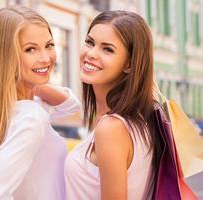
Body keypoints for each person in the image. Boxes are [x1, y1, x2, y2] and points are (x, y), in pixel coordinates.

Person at [0, 5, 80, 200]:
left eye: (49, 45)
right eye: (30, 49)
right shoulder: (30, 118)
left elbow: (72, 105)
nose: (46, 58)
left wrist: (32, 83)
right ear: (8, 56)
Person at [65, 10, 161, 199]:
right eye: (90, 42)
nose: (91, 54)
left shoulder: (111, 129)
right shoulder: (140, 120)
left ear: (129, 65)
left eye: (107, 49)